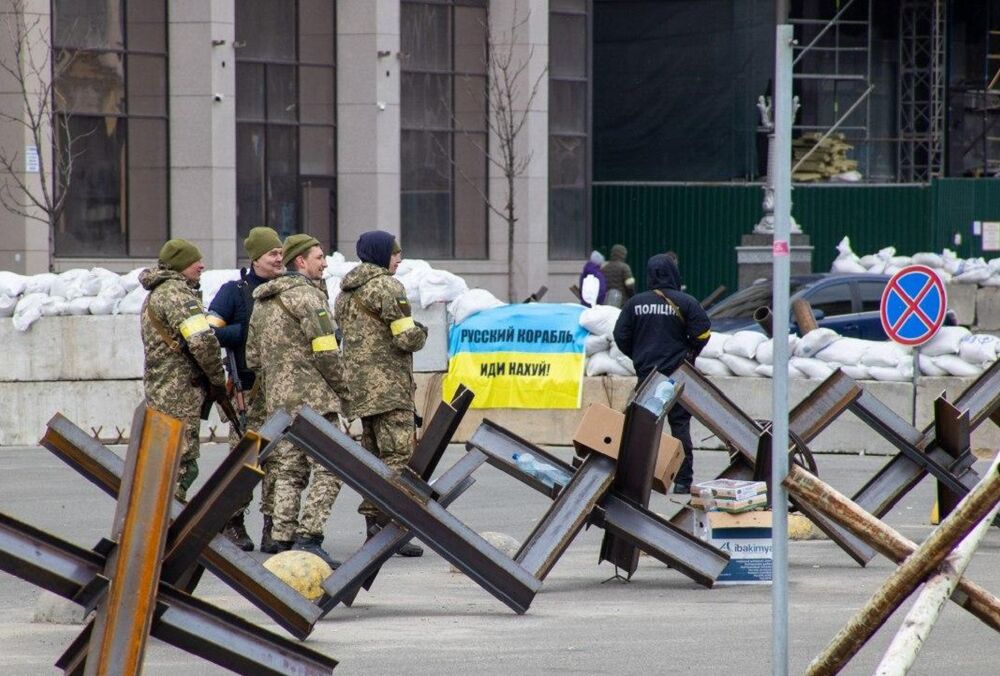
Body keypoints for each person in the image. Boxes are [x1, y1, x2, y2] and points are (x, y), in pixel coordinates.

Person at [246, 234, 348, 567]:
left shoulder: (262, 301)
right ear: (300, 262)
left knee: (288, 472)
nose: (325, 263)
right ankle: (310, 538)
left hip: (279, 404)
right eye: (319, 257)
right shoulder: (309, 298)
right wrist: (345, 393)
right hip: (315, 402)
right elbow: (327, 353)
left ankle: (281, 538)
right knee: (332, 467)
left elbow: (252, 359)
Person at [334, 230, 427, 557]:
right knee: (399, 456)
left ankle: (374, 527)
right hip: (389, 388)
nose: (399, 258)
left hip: (359, 389)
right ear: (380, 253)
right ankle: (392, 528)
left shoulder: (345, 291)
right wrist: (422, 333)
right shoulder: (388, 287)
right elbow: (405, 338)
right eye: (394, 252)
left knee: (373, 458)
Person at [207, 226, 284, 552]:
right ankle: (233, 523)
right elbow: (207, 332)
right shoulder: (234, 292)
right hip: (247, 393)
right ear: (256, 258)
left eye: (281, 253)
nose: (279, 259)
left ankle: (273, 527)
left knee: (279, 462)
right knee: (245, 462)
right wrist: (248, 332)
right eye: (273, 254)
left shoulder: (286, 290)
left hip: (280, 391)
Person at [612, 254, 711, 494]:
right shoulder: (686, 302)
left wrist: (639, 355)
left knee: (641, 429)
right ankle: (683, 482)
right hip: (678, 375)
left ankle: (635, 481)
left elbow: (620, 336)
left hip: (647, 375)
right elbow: (704, 332)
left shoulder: (635, 303)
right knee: (680, 428)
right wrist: (690, 352)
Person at [139, 239, 227, 502]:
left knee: (166, 460)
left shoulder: (156, 294)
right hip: (179, 391)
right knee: (182, 464)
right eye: (194, 261)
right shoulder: (177, 295)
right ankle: (166, 527)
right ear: (179, 265)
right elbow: (202, 341)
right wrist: (217, 379)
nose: (201, 266)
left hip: (161, 389)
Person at [601, 244, 635, 308]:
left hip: (607, 302)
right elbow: (630, 286)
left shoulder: (604, 268)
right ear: (622, 254)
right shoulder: (625, 267)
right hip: (622, 302)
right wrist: (633, 296)